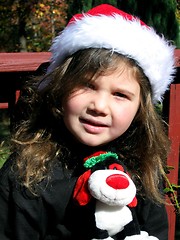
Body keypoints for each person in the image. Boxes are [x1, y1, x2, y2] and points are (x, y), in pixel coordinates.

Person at [0, 3, 176, 240]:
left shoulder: (143, 168)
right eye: (87, 86)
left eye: (120, 94)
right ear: (61, 89)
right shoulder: (27, 173)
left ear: (140, 110)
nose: (99, 106)